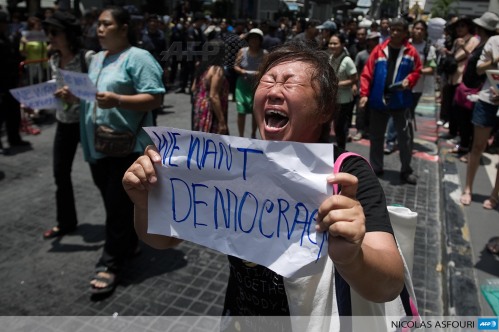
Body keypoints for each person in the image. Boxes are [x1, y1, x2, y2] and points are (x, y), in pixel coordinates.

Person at [122, 41, 404, 324]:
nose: (273, 90)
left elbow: (390, 285)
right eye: (267, 80)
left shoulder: (347, 175)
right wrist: (146, 203)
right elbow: (163, 240)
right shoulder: (232, 164)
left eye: (289, 83)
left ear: (325, 109)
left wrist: (352, 258)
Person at [74, 6, 165, 295]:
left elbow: (155, 97)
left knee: (116, 205)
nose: (98, 30)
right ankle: (129, 242)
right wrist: (73, 94)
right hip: (98, 144)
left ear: (123, 27)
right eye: (97, 25)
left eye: (105, 24)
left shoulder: (139, 58)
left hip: (127, 147)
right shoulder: (97, 58)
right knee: (114, 202)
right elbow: (92, 94)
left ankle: (111, 263)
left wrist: (118, 100)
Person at [41, 11, 94, 239]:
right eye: (48, 32)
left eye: (54, 32)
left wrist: (77, 97)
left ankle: (123, 230)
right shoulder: (53, 59)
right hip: (63, 124)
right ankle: (66, 222)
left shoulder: (88, 58)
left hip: (87, 124)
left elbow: (99, 92)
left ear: (69, 35)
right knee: (60, 174)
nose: (49, 37)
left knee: (102, 177)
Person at [359, 18, 422, 185]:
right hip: (378, 101)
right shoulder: (379, 50)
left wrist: (410, 79)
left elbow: (417, 71)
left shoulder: (411, 52)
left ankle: (406, 170)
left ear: (404, 33)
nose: (395, 32)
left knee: (405, 138)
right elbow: (367, 73)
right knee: (377, 136)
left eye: (399, 30)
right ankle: (376, 167)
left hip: (401, 101)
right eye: (393, 29)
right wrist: (364, 94)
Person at [460, 30, 499, 209]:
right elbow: (478, 68)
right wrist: (495, 60)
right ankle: (468, 188)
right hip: (487, 100)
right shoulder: (494, 41)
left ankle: (494, 195)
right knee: (477, 146)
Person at [384, 19, 437, 154]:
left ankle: (404, 141)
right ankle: (391, 140)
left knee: (406, 113)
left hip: (415, 88)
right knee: (395, 111)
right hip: (398, 86)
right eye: (416, 28)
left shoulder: (428, 49)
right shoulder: (403, 45)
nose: (418, 31)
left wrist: (415, 72)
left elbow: (431, 68)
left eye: (421, 29)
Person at [0, 11, 28, 154]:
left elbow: (15, 56)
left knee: (13, 112)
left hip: (11, 80)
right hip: (1, 82)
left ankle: (14, 138)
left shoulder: (8, 38)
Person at [233, 28, 267, 138]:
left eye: (256, 39)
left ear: (260, 40)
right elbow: (235, 65)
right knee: (241, 111)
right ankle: (241, 135)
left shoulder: (264, 53)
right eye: (251, 39)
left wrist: (260, 73)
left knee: (255, 111)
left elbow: (267, 68)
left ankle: (253, 134)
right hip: (242, 84)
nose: (254, 41)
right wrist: (242, 71)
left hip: (256, 85)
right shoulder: (242, 51)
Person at [191, 39, 229, 134]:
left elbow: (193, 88)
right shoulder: (217, 70)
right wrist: (222, 121)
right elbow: (213, 96)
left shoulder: (202, 66)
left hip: (200, 109)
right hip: (211, 112)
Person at [328, 34, 358, 150]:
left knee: (340, 127)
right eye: (330, 43)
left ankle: (342, 150)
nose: (332, 46)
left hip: (344, 99)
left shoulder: (347, 60)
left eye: (335, 43)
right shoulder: (330, 58)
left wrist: (338, 84)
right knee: (330, 126)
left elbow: (355, 79)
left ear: (342, 45)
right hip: (332, 98)